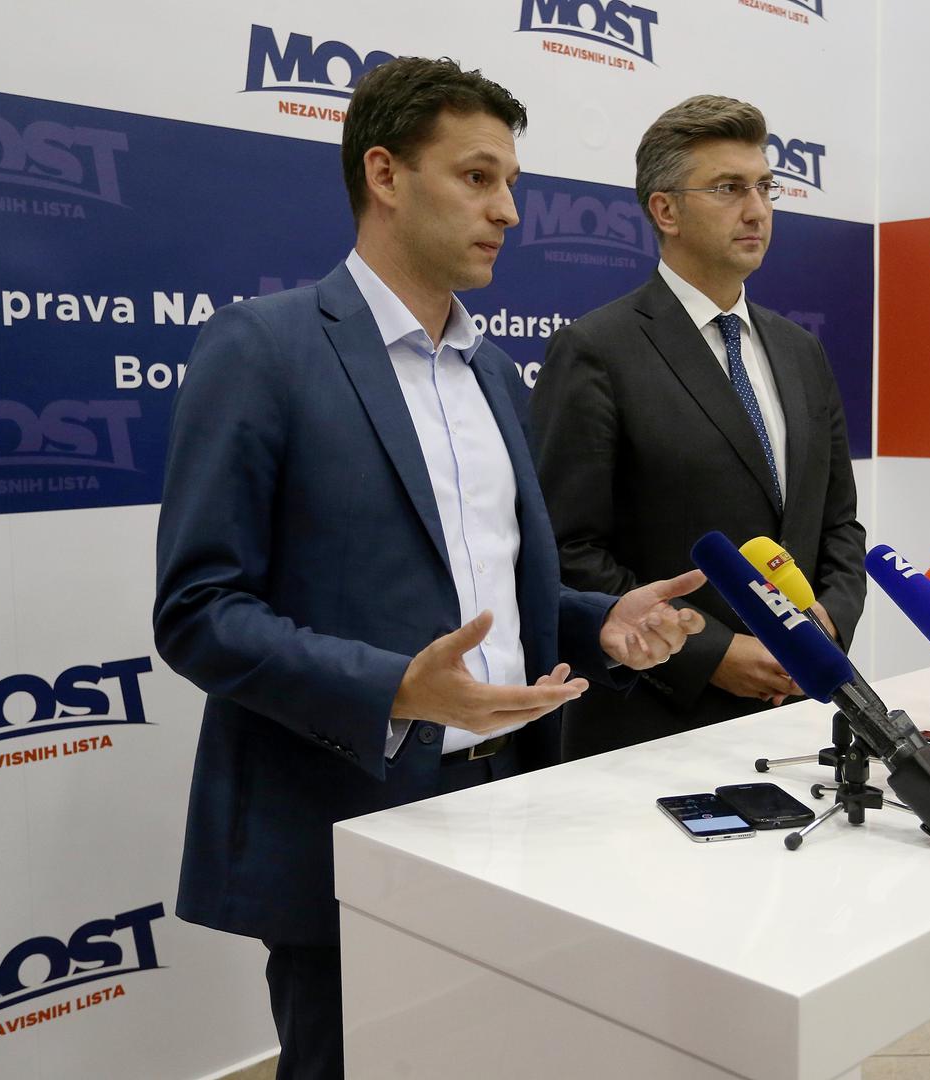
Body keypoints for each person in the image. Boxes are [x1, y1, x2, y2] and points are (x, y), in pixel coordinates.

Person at [153, 57, 703, 1079]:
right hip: (351, 817)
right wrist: (396, 688)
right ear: (386, 175)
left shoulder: (492, 373)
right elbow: (199, 612)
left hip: (514, 806)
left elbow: (492, 592)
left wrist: (599, 622)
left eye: (512, 184)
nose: (509, 212)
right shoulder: (263, 348)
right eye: (478, 177)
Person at [528, 95, 866, 760]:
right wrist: (709, 653)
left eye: (765, 187)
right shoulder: (597, 349)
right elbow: (568, 549)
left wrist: (830, 619)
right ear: (666, 210)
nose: (757, 209)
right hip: (654, 726)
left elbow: (838, 523)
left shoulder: (801, 350)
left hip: (797, 713)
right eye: (729, 188)